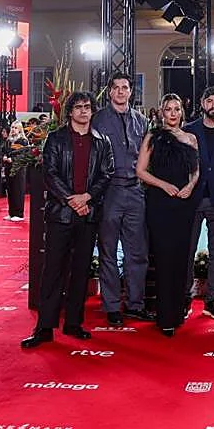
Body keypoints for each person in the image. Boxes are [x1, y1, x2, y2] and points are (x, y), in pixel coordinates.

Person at [21, 91, 114, 348]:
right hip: (61, 214)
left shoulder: (102, 141)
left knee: (81, 271)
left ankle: (74, 323)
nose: (83, 111)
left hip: (88, 213)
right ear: (70, 112)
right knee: (53, 271)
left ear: (92, 111)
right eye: (78, 107)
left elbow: (107, 175)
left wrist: (86, 198)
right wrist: (71, 199)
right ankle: (44, 327)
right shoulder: (55, 139)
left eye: (87, 107)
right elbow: (49, 173)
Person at [92, 72, 153, 326]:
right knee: (108, 251)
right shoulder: (97, 120)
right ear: (109, 92)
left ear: (131, 92)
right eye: (115, 87)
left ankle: (135, 304)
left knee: (137, 252)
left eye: (124, 87)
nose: (120, 91)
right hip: (109, 191)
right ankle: (112, 306)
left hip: (136, 191)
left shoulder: (142, 121)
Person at [138, 93, 200, 337]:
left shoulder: (191, 138)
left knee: (181, 259)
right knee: (163, 259)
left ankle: (177, 312)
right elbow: (140, 171)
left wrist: (190, 186)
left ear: (181, 112)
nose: (172, 113)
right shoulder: (153, 136)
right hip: (160, 204)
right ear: (161, 112)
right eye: (168, 109)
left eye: (176, 109)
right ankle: (165, 317)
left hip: (184, 204)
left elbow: (196, 171)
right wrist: (163, 185)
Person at [182, 86, 214, 320]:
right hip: (191, 200)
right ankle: (184, 297)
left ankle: (212, 300)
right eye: (209, 100)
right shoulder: (187, 131)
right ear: (202, 103)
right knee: (187, 251)